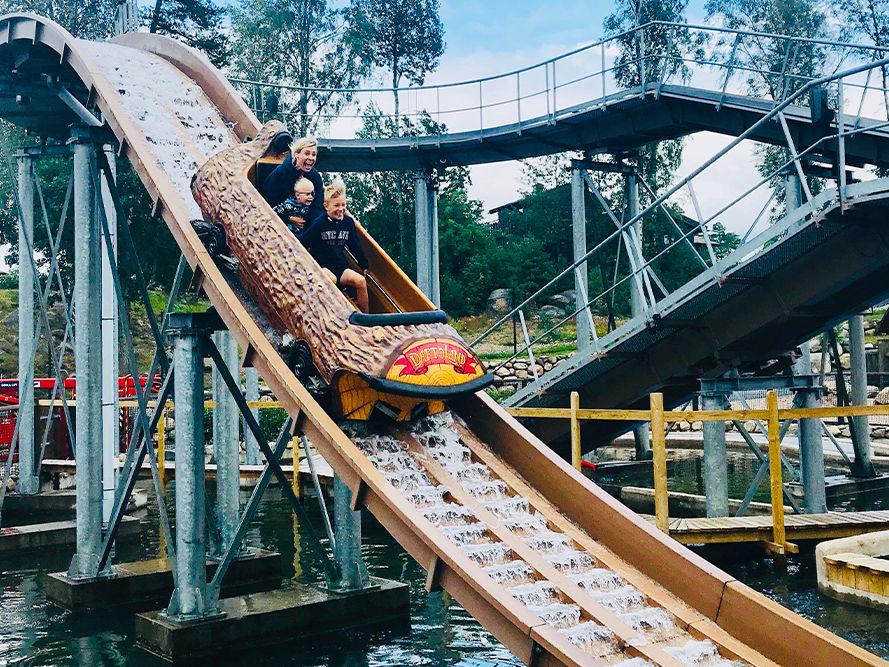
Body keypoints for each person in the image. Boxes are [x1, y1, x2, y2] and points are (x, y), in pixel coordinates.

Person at [301, 183, 369, 312]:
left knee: (360, 281)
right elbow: (304, 242)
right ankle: (331, 313)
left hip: (340, 267)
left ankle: (366, 317)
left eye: (343, 205)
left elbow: (355, 245)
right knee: (330, 279)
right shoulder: (319, 223)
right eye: (336, 205)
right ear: (326, 206)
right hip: (322, 266)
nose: (341, 209)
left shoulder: (348, 222)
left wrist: (363, 264)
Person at [260, 136, 324, 221]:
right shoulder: (280, 173)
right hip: (281, 221)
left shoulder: (315, 177)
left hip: (307, 220)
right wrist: (288, 218)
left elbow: (318, 204)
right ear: (296, 154)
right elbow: (268, 203)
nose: (311, 158)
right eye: (307, 153)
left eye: (314, 154)